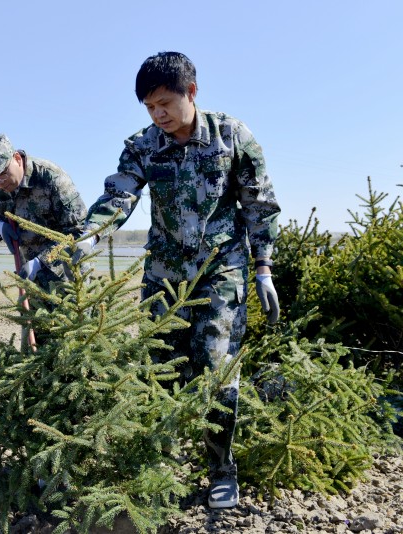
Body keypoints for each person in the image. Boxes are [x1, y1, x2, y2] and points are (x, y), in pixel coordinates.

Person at [83, 52, 281, 509]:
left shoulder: (232, 136)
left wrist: (264, 267)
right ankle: (160, 466)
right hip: (164, 276)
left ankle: (221, 468)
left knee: (216, 366)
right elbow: (119, 195)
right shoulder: (142, 145)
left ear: (192, 92)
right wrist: (88, 238)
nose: (159, 115)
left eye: (165, 103)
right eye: (149, 107)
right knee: (160, 368)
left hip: (221, 270)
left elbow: (259, 204)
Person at [0, 133, 88, 298]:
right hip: (30, 274)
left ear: (17, 158)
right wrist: (0, 228)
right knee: (35, 321)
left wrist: (40, 262)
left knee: (69, 316)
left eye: (2, 172)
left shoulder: (51, 178)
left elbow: (77, 232)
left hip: (67, 272)